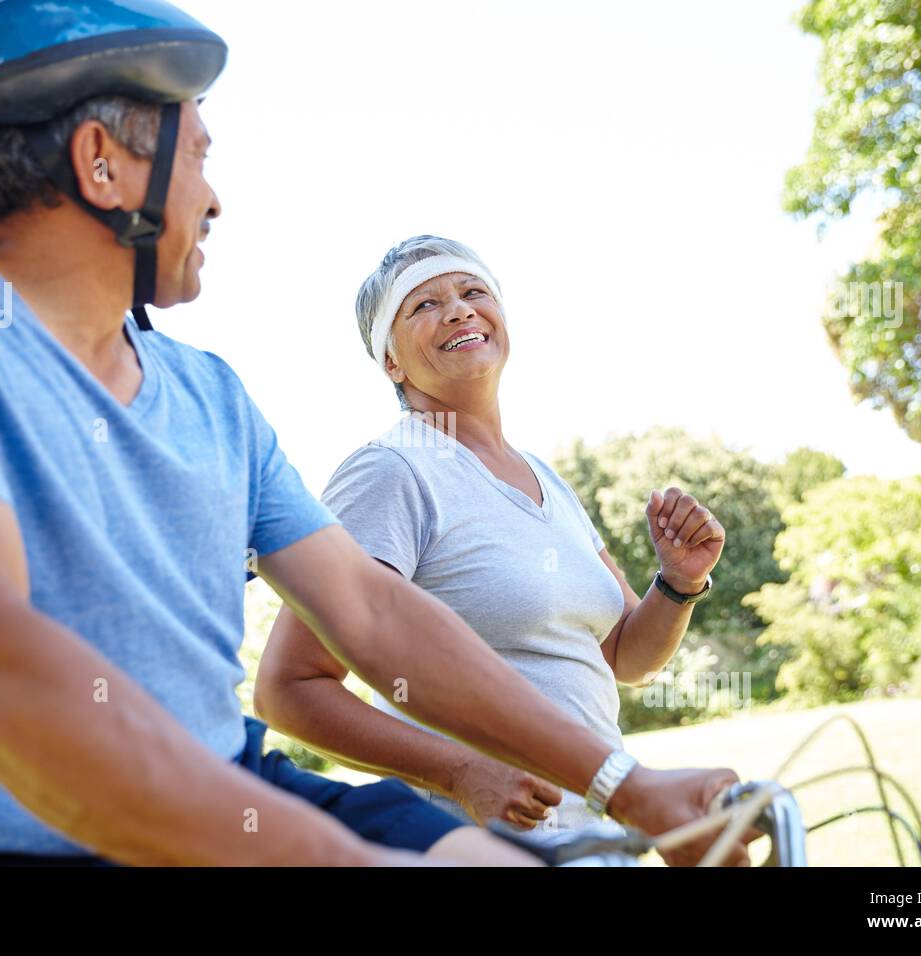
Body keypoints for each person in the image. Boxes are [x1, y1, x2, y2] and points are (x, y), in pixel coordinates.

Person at [0, 0, 752, 867]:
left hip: (236, 785)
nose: (215, 196)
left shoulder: (211, 394)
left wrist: (625, 783)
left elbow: (367, 609)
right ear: (102, 164)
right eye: (199, 154)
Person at [256, 236, 727, 843]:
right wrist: (460, 772)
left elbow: (624, 659)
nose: (458, 310)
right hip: (478, 844)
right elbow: (289, 687)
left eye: (474, 292)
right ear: (391, 361)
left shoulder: (547, 479)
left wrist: (679, 581)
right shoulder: (391, 472)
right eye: (423, 305)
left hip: (597, 838)